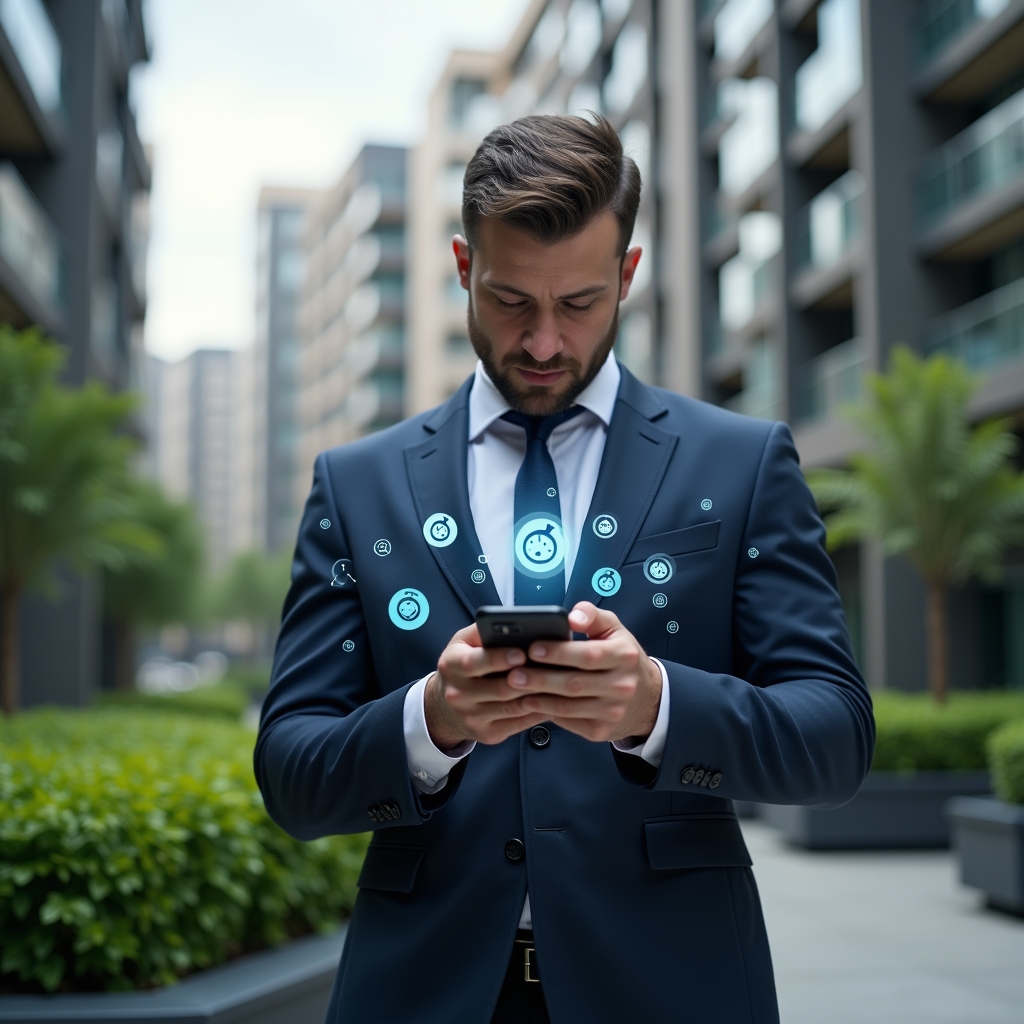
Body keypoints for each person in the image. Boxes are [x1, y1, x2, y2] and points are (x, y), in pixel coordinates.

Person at [255, 114, 874, 1024]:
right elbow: (292, 772)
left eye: (579, 304)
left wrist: (657, 707)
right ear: (466, 266)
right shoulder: (358, 486)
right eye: (511, 302)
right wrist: (430, 722)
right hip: (423, 992)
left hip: (675, 989)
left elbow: (834, 740)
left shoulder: (740, 464)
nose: (544, 343)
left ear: (627, 273)